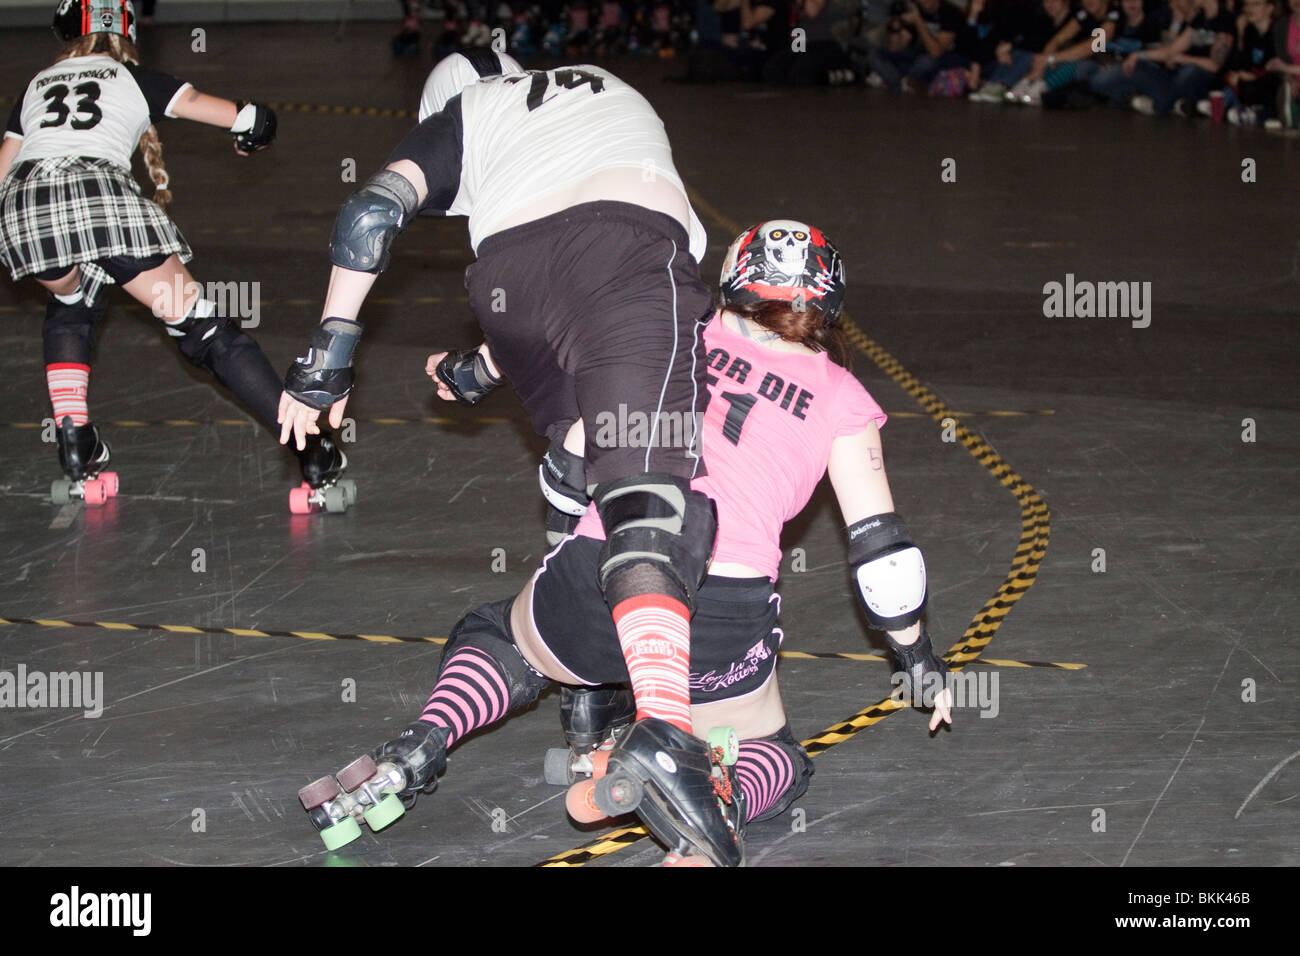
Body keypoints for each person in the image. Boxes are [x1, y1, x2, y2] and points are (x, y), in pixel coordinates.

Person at [300, 221, 953, 866]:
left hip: (609, 567)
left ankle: (421, 744)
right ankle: (721, 796)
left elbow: (549, 328)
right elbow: (882, 555)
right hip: (724, 611)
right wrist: (917, 660)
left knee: (501, 636)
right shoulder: (844, 399)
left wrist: (473, 371)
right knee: (776, 754)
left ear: (734, 280)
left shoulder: (673, 324)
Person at [278, 62, 722, 792]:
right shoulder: (603, 84)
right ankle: (662, 732)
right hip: (631, 245)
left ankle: (584, 692)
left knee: (580, 443)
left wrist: (329, 355)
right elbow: (595, 259)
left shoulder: (466, 112)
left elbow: (371, 215)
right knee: (647, 494)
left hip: (512, 282)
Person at [0, 1, 346, 508]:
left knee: (71, 306)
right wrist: (253, 133)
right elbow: (247, 117)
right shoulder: (134, 77)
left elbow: (5, 166)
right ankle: (310, 448)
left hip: (27, 210)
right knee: (205, 329)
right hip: (100, 197)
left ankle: (76, 444)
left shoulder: (36, 85)